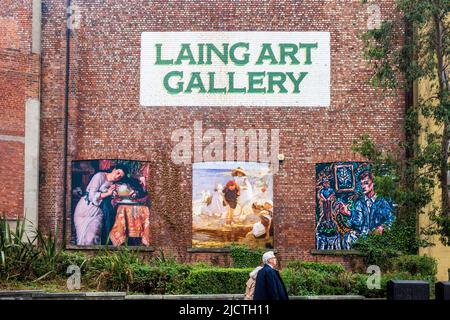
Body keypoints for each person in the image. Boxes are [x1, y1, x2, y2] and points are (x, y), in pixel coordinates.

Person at [73, 165, 127, 245]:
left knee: (93, 237)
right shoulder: (100, 176)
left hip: (98, 211)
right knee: (83, 239)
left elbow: (106, 197)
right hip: (86, 208)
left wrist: (112, 194)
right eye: (118, 173)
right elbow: (92, 196)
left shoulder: (112, 183)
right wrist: (108, 193)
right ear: (114, 170)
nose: (117, 176)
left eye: (120, 176)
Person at [351, 171, 395, 236]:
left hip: (377, 240)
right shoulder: (359, 203)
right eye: (361, 184)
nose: (363, 186)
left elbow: (392, 219)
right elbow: (356, 223)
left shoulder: (381, 202)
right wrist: (349, 213)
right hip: (362, 240)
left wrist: (382, 228)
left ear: (373, 183)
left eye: (366, 183)